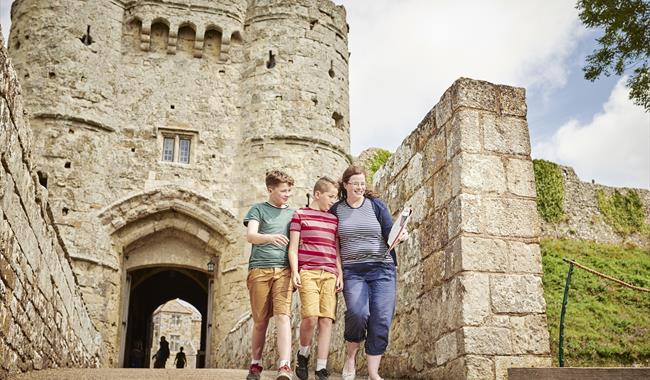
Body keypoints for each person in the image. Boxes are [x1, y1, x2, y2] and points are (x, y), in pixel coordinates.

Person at [329, 166, 407, 380]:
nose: (360, 187)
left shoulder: (376, 206)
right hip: (353, 271)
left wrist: (401, 235)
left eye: (363, 183)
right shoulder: (336, 211)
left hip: (382, 269)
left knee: (381, 317)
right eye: (356, 183)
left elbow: (390, 233)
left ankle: (373, 373)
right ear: (345, 185)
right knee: (357, 313)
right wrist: (338, 272)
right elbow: (333, 246)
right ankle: (351, 358)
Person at [243, 170, 296, 380]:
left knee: (283, 317)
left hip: (284, 270)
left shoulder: (293, 213)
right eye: (283, 191)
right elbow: (251, 236)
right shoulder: (257, 210)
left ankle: (285, 366)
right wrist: (271, 237)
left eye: (290, 190)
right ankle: (255, 364)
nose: (287, 194)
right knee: (260, 321)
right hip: (259, 269)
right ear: (270, 189)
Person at [288, 177, 343, 380]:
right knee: (310, 317)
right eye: (330, 196)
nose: (333, 201)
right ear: (317, 194)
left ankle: (321, 367)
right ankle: (303, 354)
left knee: (326, 320)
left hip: (329, 273)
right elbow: (293, 249)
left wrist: (340, 274)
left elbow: (336, 250)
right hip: (308, 272)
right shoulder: (299, 215)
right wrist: (295, 272)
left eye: (335, 197)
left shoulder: (333, 219)